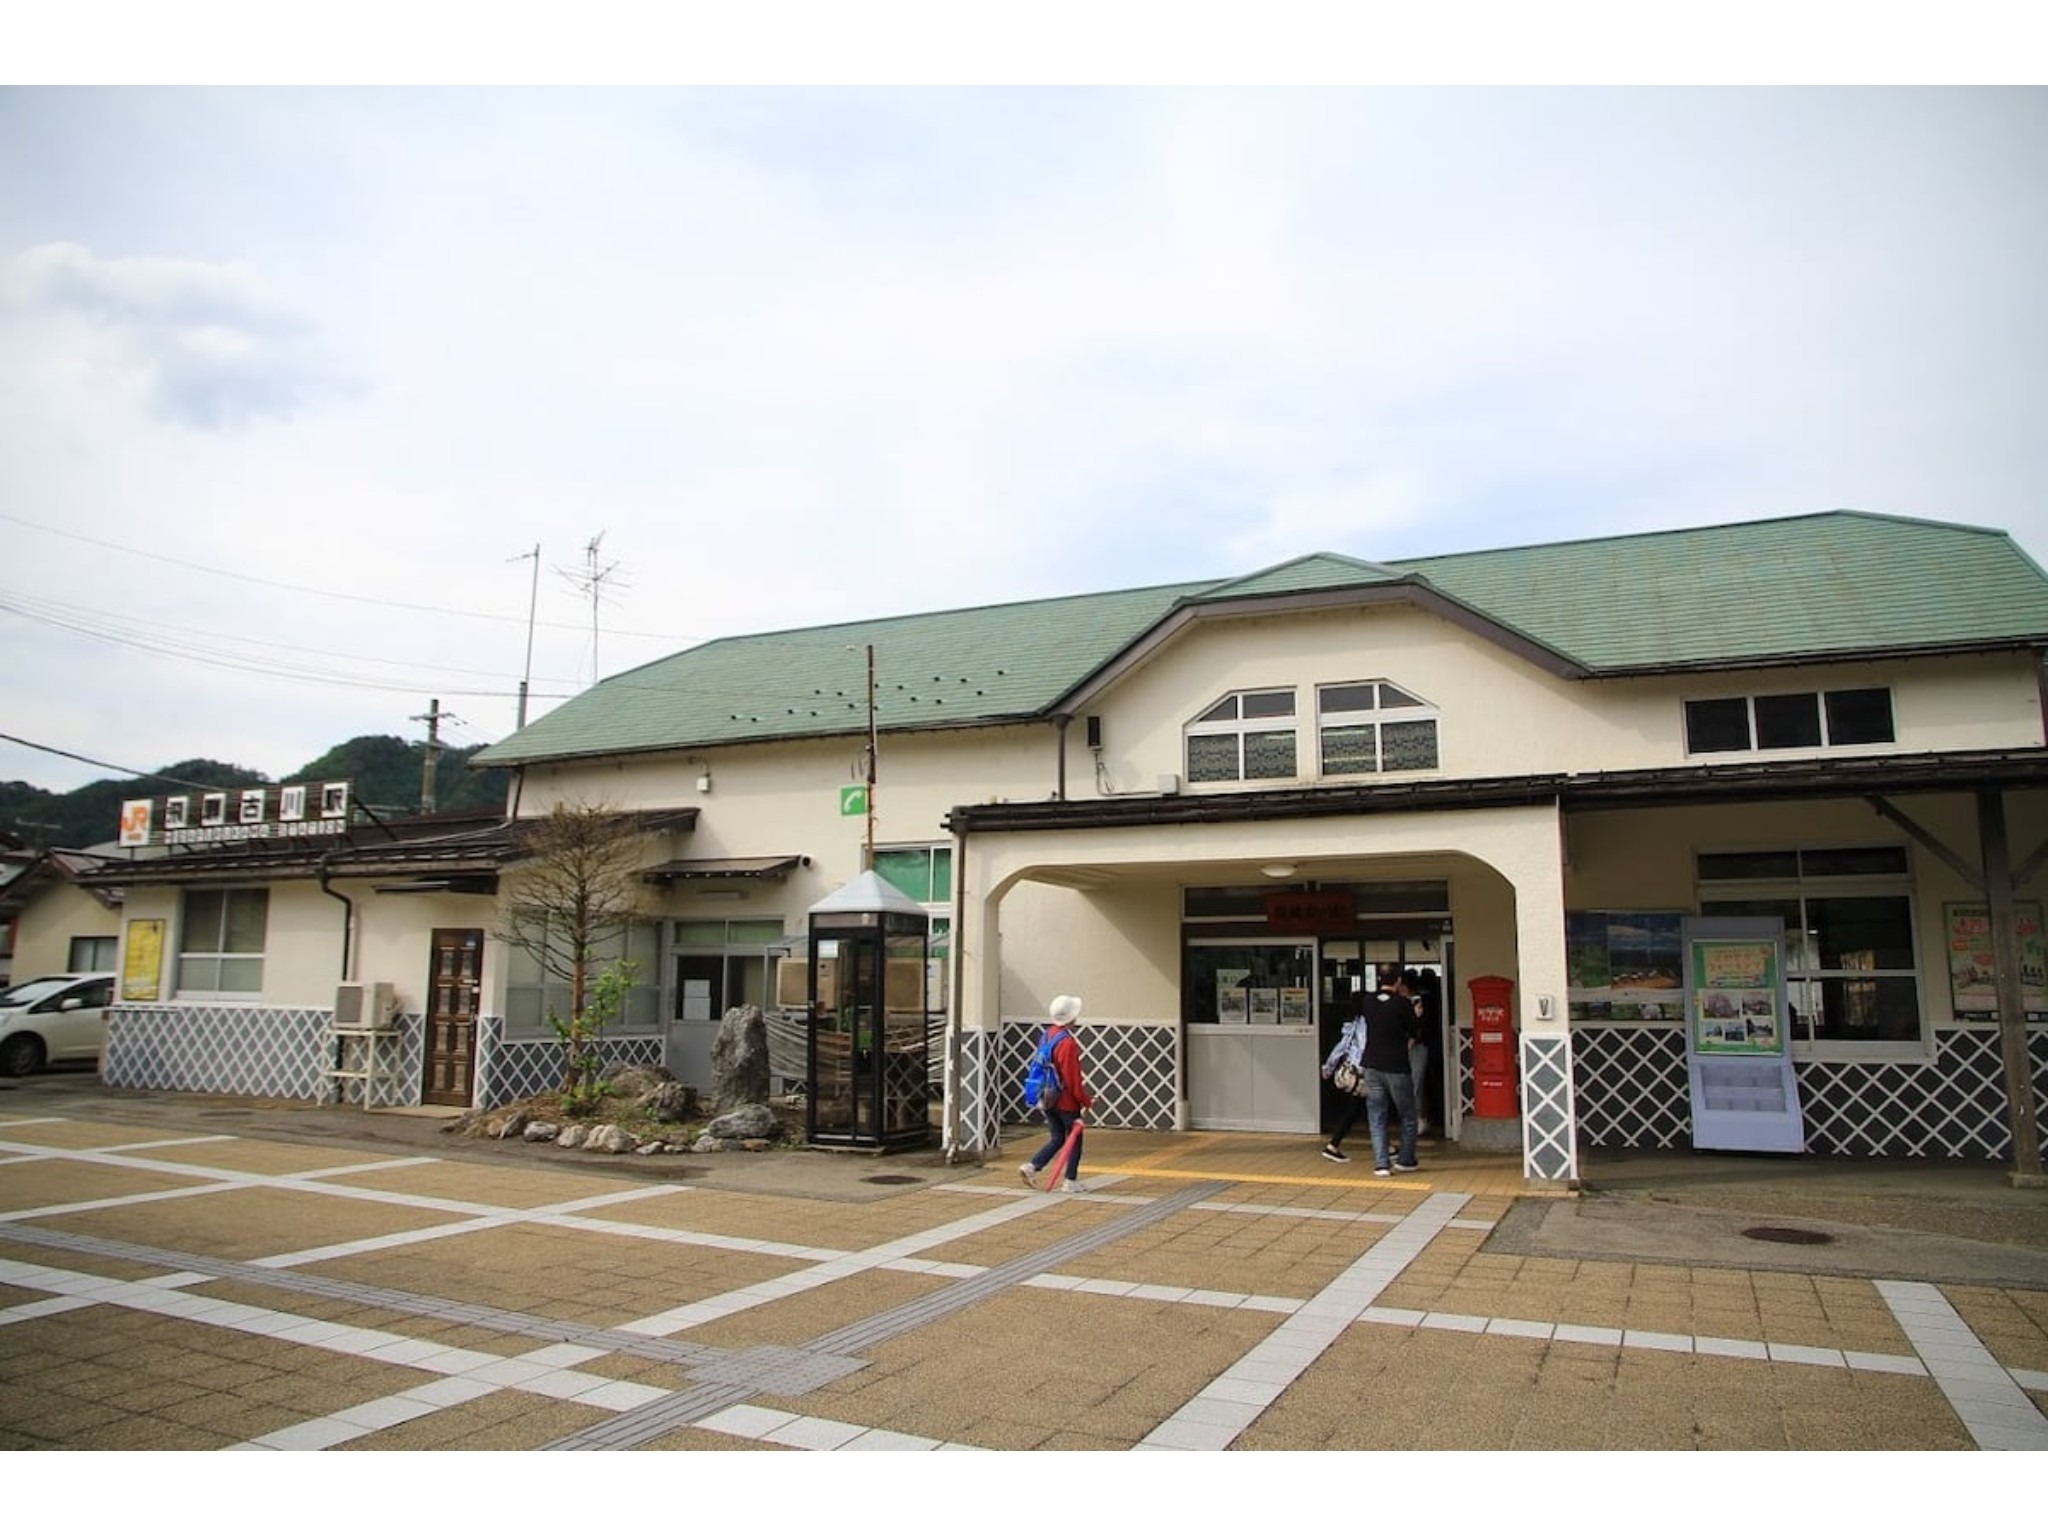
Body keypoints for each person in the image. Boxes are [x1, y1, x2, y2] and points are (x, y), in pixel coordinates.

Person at [1320, 964, 1420, 1175]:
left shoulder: (1368, 1003)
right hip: (1396, 1066)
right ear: (1398, 981)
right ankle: (1405, 1160)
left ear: (1379, 979)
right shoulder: (1402, 1004)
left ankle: (1382, 1164)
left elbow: (1349, 1040)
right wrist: (1415, 1015)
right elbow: (1413, 1033)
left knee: (1376, 1115)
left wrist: (1328, 1066)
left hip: (1371, 1067)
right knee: (1407, 1115)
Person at [1019, 994, 1094, 1192]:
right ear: (1071, 1017)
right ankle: (1070, 1181)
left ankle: (1032, 1166)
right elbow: (1072, 1078)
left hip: (1046, 1096)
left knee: (1057, 1137)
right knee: (1074, 1139)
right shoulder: (1067, 1043)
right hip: (1066, 1101)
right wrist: (1085, 1100)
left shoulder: (1047, 1035)